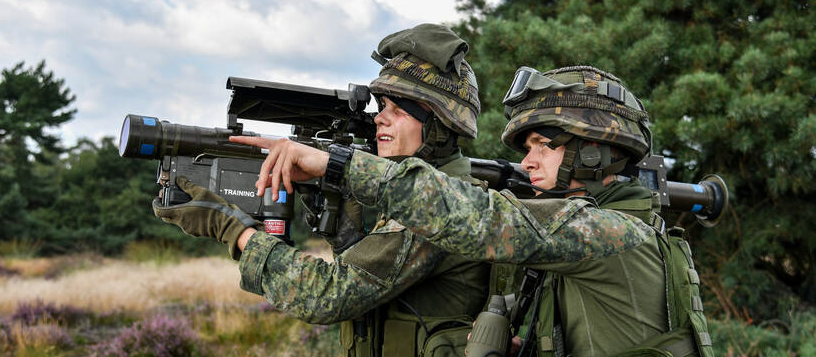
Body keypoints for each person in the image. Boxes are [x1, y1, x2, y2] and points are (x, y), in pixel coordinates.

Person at [239, 65, 715, 357]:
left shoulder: (610, 233)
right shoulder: (601, 230)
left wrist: (338, 164)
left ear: (597, 152)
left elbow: (481, 220)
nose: (527, 161)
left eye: (544, 146)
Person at [154, 23, 490, 357]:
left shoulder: (439, 203)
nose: (379, 119)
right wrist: (346, 236)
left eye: (398, 110)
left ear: (440, 126)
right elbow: (379, 289)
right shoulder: (422, 191)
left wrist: (233, 230)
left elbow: (327, 295)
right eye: (382, 107)